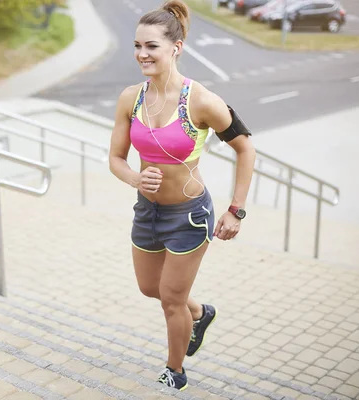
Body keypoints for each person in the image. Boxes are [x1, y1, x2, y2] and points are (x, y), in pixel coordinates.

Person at [108, 0, 256, 391]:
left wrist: (235, 211)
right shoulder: (130, 98)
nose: (142, 54)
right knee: (150, 288)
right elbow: (116, 159)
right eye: (138, 45)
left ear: (176, 47)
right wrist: (135, 181)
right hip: (148, 212)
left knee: (171, 299)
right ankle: (200, 312)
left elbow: (246, 148)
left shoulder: (202, 101)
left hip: (190, 215)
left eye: (151, 46)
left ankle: (175, 371)